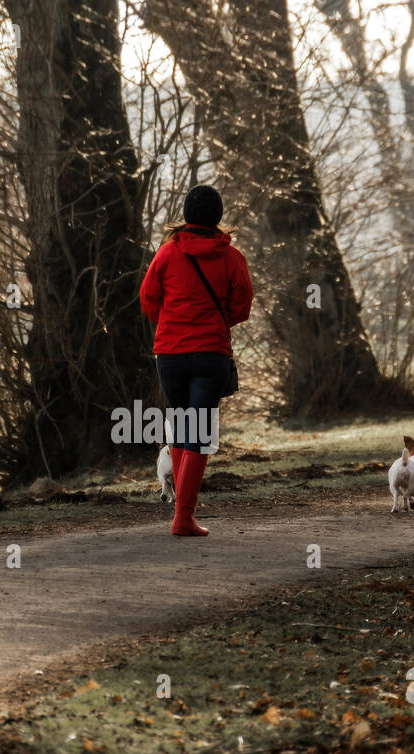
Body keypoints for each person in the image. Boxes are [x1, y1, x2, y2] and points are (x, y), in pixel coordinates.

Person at [139, 185, 253, 537]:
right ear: (218, 217)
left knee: (184, 429)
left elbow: (147, 298)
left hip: (169, 355)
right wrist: (216, 324)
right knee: (199, 435)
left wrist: (172, 324)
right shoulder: (231, 256)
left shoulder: (167, 253)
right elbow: (242, 304)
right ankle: (183, 517)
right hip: (210, 354)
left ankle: (183, 514)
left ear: (187, 215)